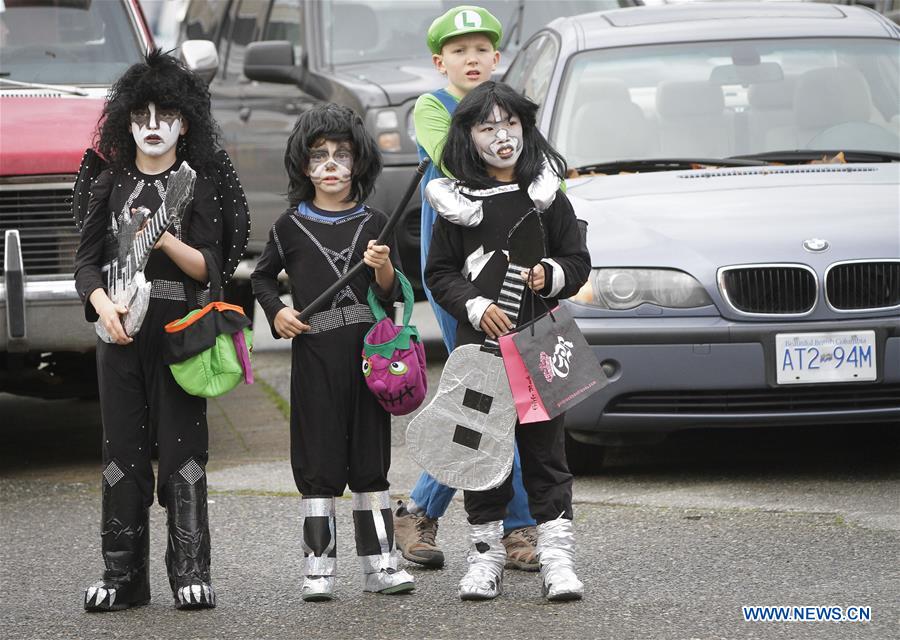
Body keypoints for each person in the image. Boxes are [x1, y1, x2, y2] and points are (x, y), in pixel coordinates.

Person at [424, 81, 591, 601]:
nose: (503, 135)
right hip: (480, 350)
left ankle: (557, 560)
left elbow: (578, 260)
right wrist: (474, 304)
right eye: (487, 126)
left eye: (511, 123)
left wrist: (552, 273)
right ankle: (484, 557)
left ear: (526, 127)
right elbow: (440, 271)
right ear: (468, 137)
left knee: (546, 453)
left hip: (542, 341)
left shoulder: (546, 193)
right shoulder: (457, 202)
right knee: (481, 454)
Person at [76, 50, 227, 611]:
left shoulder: (198, 183)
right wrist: (99, 303)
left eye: (167, 115)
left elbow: (210, 267)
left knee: (185, 449)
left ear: (185, 121)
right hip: (117, 333)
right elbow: (85, 261)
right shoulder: (109, 180)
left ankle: (190, 571)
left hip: (178, 331)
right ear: (127, 122)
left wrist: (164, 240)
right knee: (122, 454)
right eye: (142, 116)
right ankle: (121, 578)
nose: (155, 126)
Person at [394, 3, 539, 574]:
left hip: (516, 267)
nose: (471, 58)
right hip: (460, 278)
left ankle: (421, 509)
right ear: (440, 62)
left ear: (497, 57)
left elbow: (533, 165)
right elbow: (460, 159)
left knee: (505, 397)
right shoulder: (432, 109)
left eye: (481, 49)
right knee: (484, 392)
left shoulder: (508, 109)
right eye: (459, 51)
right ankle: (520, 529)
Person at [251, 104, 415, 602]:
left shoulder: (377, 222)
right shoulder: (288, 226)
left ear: (358, 163)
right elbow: (260, 277)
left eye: (341, 155)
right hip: (315, 356)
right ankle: (317, 568)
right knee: (318, 459)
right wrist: (278, 313)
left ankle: (382, 565)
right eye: (319, 155)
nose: (330, 164)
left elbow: (390, 292)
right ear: (304, 166)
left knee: (370, 459)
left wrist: (383, 266)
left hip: (369, 357)